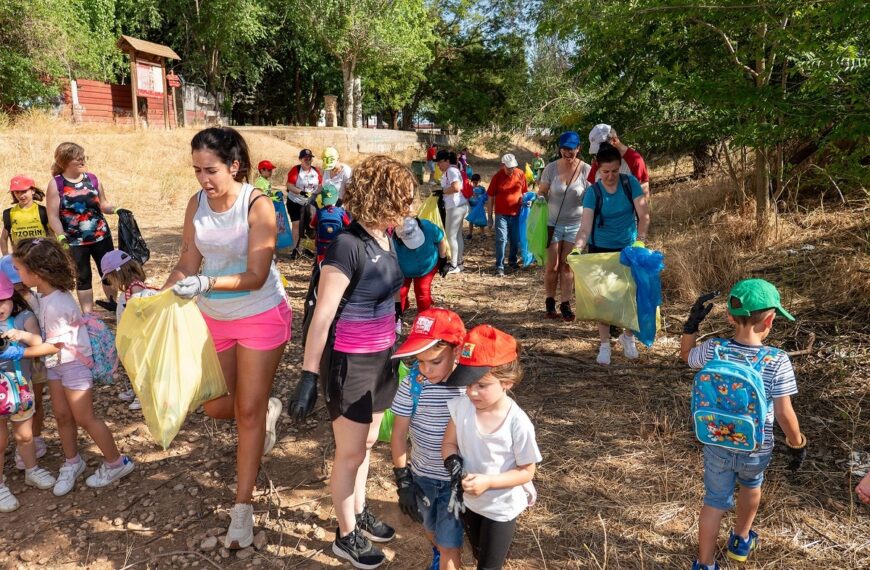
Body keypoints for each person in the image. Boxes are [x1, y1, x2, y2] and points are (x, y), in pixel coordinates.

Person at [164, 127, 288, 550]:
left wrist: (203, 282)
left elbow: (255, 277)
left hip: (259, 314)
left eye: (211, 170)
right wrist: (162, 293)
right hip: (212, 316)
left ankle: (242, 510)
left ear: (233, 166)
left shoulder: (258, 205)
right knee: (217, 406)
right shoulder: (196, 203)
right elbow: (186, 258)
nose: (203, 179)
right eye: (197, 170)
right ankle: (267, 410)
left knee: (246, 414)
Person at [292, 155, 413, 569]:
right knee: (349, 453)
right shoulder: (346, 245)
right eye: (402, 198)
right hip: (349, 364)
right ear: (382, 197)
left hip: (383, 359)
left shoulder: (387, 237)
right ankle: (345, 536)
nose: (408, 207)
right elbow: (323, 315)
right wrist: (309, 377)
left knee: (365, 445)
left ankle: (358, 511)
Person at [680, 280, 807, 569]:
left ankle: (705, 563)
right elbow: (785, 412)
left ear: (729, 317)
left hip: (715, 440)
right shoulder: (777, 360)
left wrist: (691, 325)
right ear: (771, 319)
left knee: (714, 500)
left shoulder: (714, 349)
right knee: (751, 484)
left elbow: (686, 356)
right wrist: (797, 442)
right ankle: (740, 538)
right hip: (756, 447)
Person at [10, 238, 135, 497]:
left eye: (19, 269)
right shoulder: (46, 294)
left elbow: (53, 345)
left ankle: (116, 463)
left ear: (37, 272)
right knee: (62, 415)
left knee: (85, 417)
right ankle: (72, 461)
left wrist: (21, 351)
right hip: (57, 365)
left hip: (73, 365)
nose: (17, 274)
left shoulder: (56, 304)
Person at [442, 325, 542, 570]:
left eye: (482, 385)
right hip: (470, 500)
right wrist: (452, 461)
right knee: (478, 551)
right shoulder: (461, 407)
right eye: (467, 384)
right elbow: (449, 443)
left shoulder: (518, 424)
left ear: (507, 383)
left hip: (501, 507)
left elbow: (526, 472)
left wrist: (488, 482)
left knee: (489, 565)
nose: (472, 392)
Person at [390, 308, 467, 570]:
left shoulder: (470, 387)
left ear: (456, 352)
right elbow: (399, 433)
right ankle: (439, 551)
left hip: (456, 482)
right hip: (422, 476)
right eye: (421, 361)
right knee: (431, 529)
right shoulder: (414, 383)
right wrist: (403, 480)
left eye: (435, 362)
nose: (427, 369)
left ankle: (446, 557)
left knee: (450, 545)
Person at [573, 143, 651, 365]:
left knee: (631, 295)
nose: (610, 176)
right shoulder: (593, 192)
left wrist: (640, 241)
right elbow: (585, 227)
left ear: (620, 168)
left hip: (629, 248)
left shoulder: (630, 184)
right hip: (601, 251)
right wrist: (578, 248)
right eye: (605, 172)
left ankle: (628, 337)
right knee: (603, 298)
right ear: (598, 170)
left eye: (615, 171)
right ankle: (605, 344)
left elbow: (644, 216)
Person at [0, 272, 56, 512]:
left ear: (12, 296)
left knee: (25, 435)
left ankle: (31, 469)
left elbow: (41, 343)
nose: (1, 307)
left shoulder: (23, 318)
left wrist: (22, 337)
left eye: (3, 300)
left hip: (21, 387)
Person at [46, 143, 121, 314]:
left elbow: (103, 204)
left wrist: (117, 210)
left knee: (109, 272)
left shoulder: (93, 179)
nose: (82, 159)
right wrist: (61, 237)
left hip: (101, 236)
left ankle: (113, 306)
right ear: (65, 162)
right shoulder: (56, 184)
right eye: (77, 157)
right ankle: (89, 316)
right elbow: (53, 216)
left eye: (83, 156)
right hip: (74, 241)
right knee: (83, 277)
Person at [1, 255, 49, 471]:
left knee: (33, 406)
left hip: (29, 371)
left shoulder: (29, 306)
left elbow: (39, 338)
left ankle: (33, 444)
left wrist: (21, 336)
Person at [538, 131, 592, 321]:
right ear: (560, 149)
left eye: (572, 149)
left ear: (579, 148)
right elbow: (542, 191)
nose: (568, 153)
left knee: (568, 266)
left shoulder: (587, 170)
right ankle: (550, 301)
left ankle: (566, 304)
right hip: (552, 224)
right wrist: (538, 200)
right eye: (565, 149)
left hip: (576, 225)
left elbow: (594, 195)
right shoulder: (551, 169)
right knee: (552, 266)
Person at [101, 249, 159, 411]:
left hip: (138, 336)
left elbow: (140, 310)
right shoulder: (130, 288)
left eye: (109, 280)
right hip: (130, 334)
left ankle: (144, 396)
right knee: (132, 364)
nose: (110, 284)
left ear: (117, 274)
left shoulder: (135, 288)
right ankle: (136, 390)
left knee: (141, 365)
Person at [393, 216, 448, 316]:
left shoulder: (428, 227)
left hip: (426, 267)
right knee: (400, 292)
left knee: (423, 292)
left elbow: (441, 239)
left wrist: (443, 259)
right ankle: (399, 312)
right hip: (403, 270)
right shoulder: (392, 237)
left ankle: (424, 317)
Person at [487, 153, 527, 277]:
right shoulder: (497, 177)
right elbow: (491, 197)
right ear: (502, 165)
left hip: (516, 214)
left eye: (513, 167)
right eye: (509, 167)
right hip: (501, 215)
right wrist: (489, 217)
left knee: (515, 240)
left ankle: (512, 261)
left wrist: (527, 202)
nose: (511, 169)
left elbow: (524, 192)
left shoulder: (520, 174)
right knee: (501, 239)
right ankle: (499, 265)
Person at [587, 124, 650, 201]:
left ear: (614, 140)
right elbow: (591, 193)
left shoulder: (635, 160)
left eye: (602, 148)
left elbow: (644, 194)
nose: (599, 154)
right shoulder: (599, 162)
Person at [286, 149, 322, 259]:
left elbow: (320, 185)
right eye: (305, 158)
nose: (308, 160)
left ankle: (309, 249)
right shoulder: (296, 170)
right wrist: (301, 192)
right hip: (295, 201)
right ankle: (294, 249)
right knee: (296, 225)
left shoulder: (316, 171)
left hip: (310, 202)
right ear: (300, 159)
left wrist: (315, 193)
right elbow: (289, 185)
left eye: (310, 158)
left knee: (311, 224)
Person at [436, 150, 468, 275]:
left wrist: (442, 192)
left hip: (455, 206)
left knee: (450, 236)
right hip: (459, 205)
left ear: (447, 161)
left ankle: (454, 264)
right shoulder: (452, 171)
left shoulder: (451, 171)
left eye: (440, 162)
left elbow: (456, 187)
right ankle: (459, 263)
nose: (438, 165)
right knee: (457, 235)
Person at [2, 175, 50, 255]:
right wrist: (5, 257)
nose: (21, 195)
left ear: (33, 191)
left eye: (24, 191)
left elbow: (51, 235)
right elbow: (3, 238)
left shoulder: (42, 211)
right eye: (17, 192)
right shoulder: (9, 213)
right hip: (20, 259)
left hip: (41, 257)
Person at [310, 183, 351, 264]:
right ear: (336, 198)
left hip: (322, 244)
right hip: (337, 243)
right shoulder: (341, 212)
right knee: (336, 262)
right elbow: (349, 225)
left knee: (320, 264)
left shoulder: (320, 212)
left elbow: (311, 225)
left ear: (322, 199)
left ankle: (319, 273)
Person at [466, 174, 488, 240]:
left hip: (479, 207)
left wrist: (484, 202)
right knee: (471, 220)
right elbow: (467, 196)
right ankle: (470, 233)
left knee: (481, 220)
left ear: (480, 181)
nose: (475, 184)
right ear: (471, 181)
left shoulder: (482, 188)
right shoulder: (470, 188)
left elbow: (485, 197)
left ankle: (482, 233)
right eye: (473, 182)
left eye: (476, 182)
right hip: (472, 206)